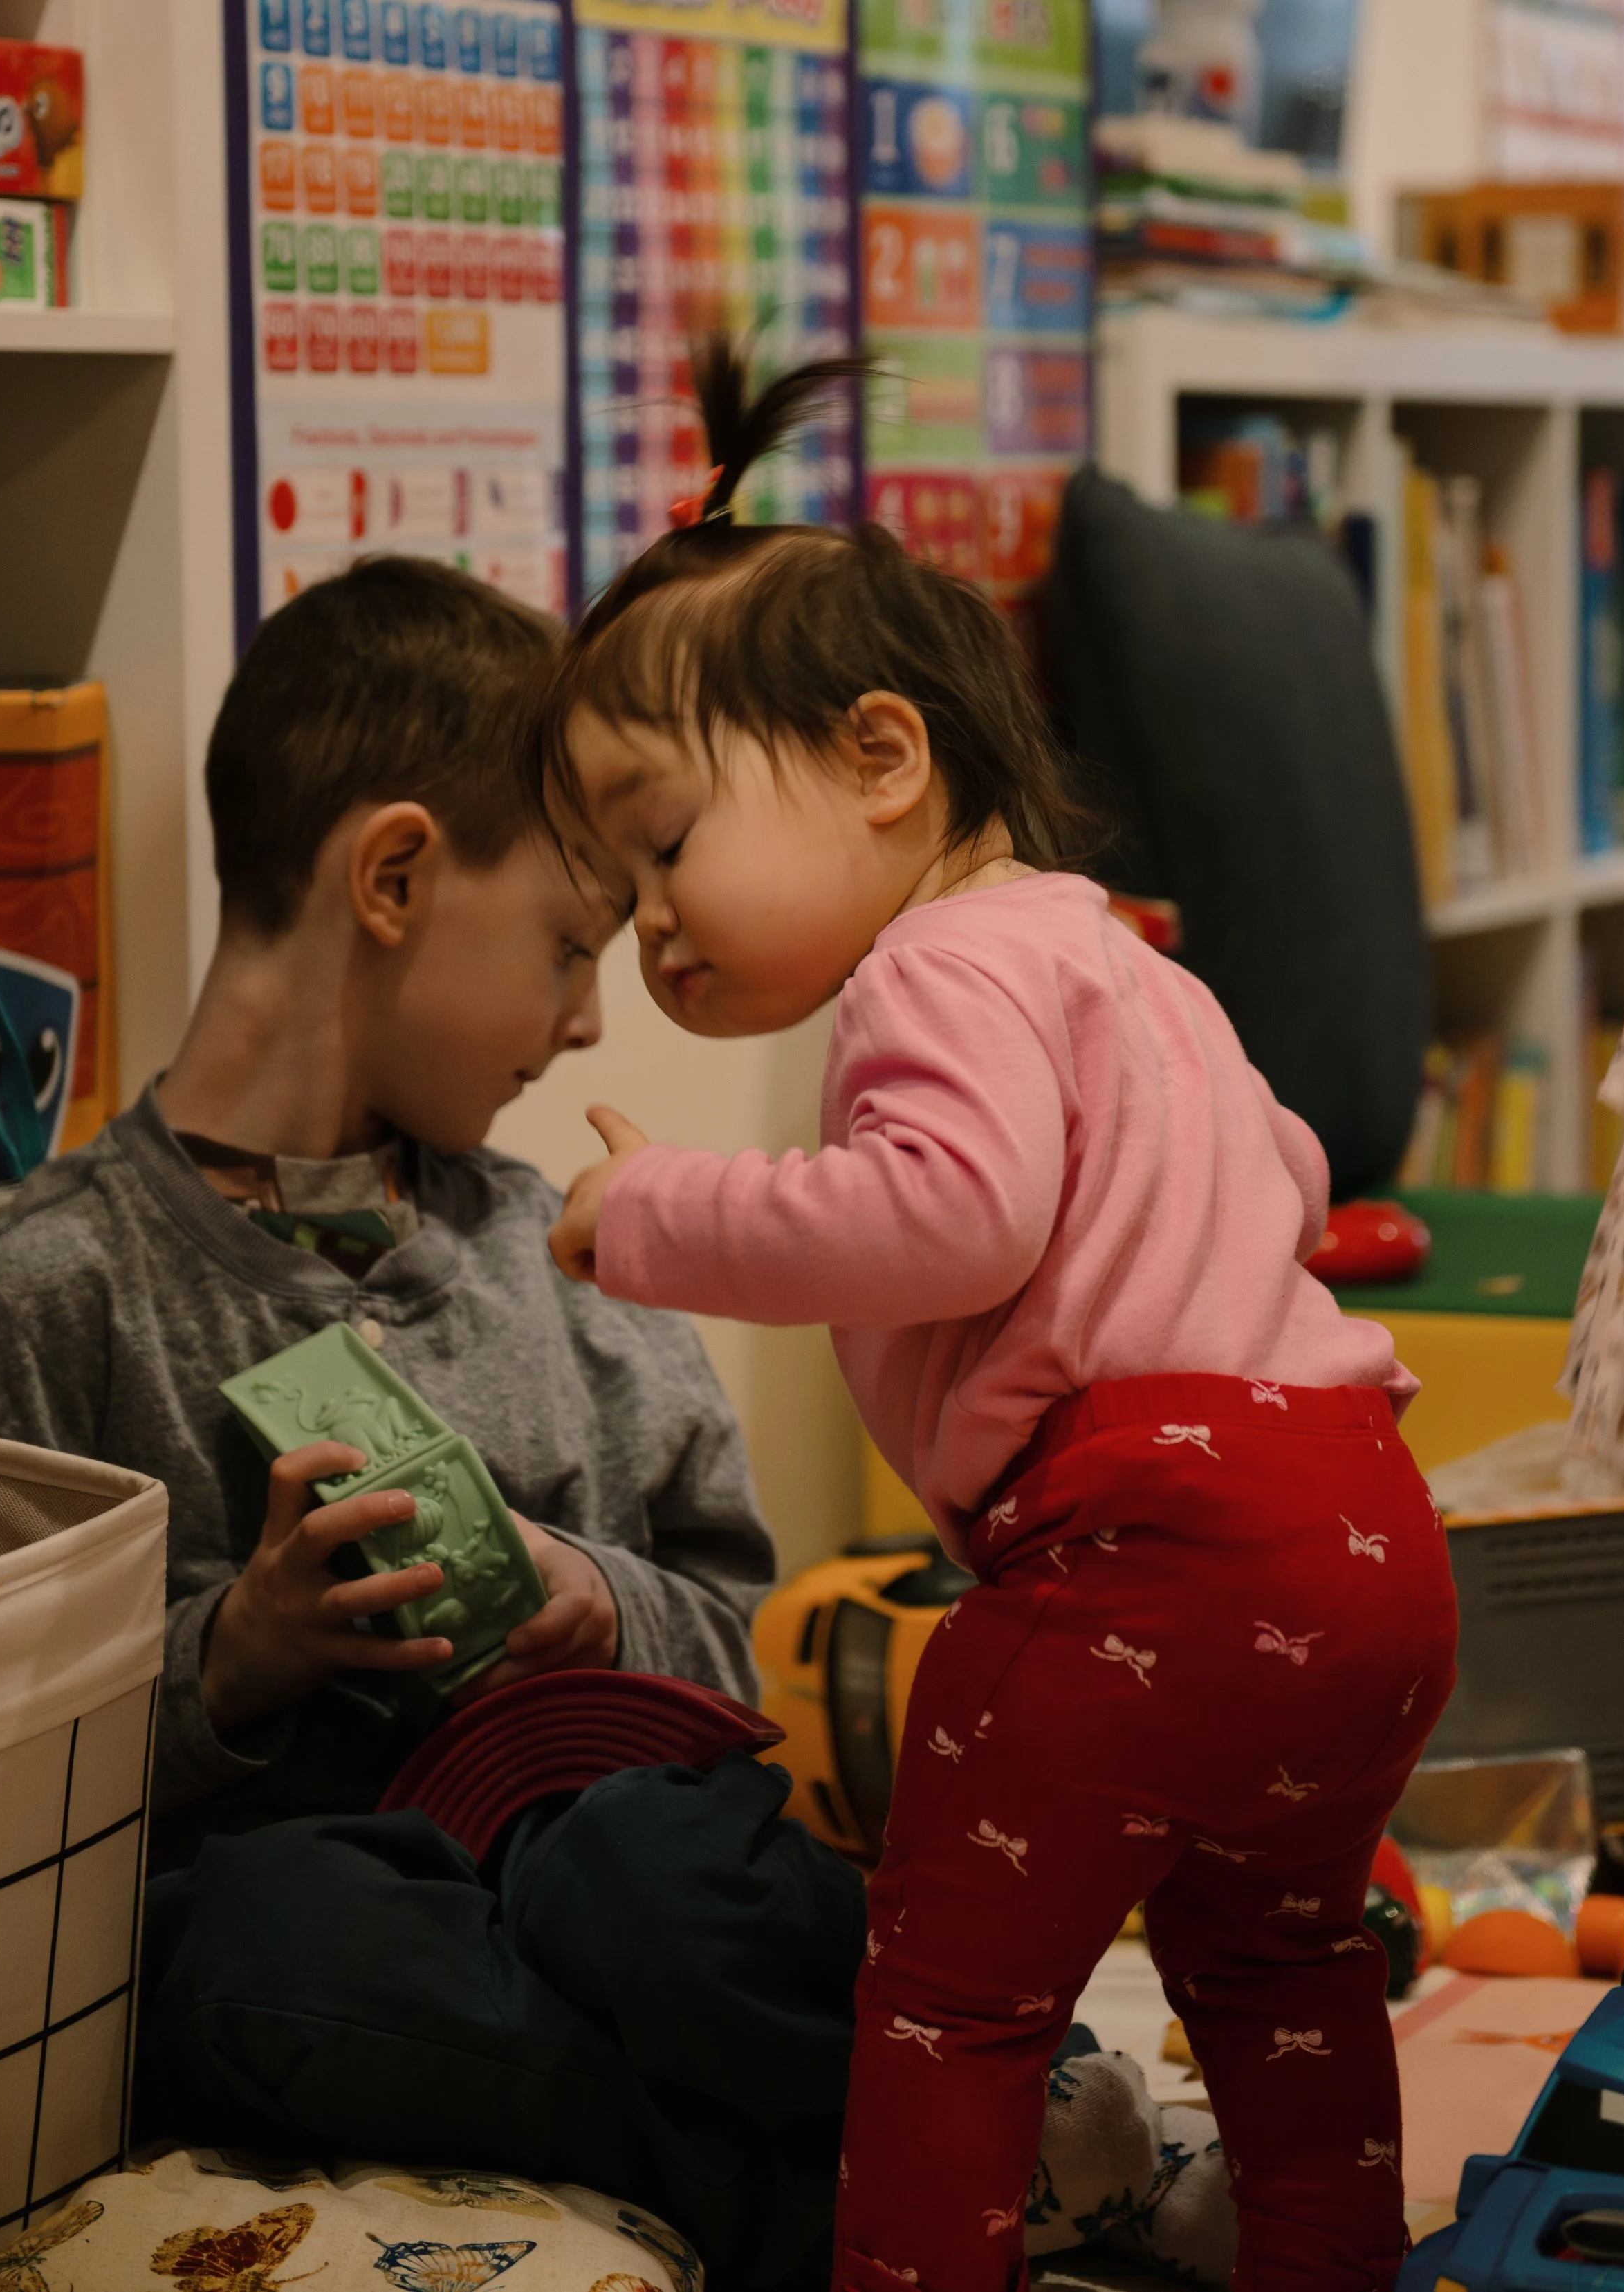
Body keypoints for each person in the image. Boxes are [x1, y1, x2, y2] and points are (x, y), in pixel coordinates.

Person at [535, 339, 1459, 2292]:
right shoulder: (1115, 958)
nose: (655, 926)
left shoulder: (927, 973)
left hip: (1156, 1558)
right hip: (1365, 1540)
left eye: (668, 844)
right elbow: (1284, 1178)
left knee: (948, 2001)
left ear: (883, 759)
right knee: (1281, 1977)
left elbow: (949, 1217)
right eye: (621, 894)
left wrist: (652, 1215)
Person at [0, 557, 775, 1864]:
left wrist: (602, 1606)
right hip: (278, 1991)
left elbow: (734, 1643)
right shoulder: (51, 1303)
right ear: (393, 880)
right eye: (568, 945)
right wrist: (231, 1656)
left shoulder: (562, 1264)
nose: (591, 1020)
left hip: (607, 1916)